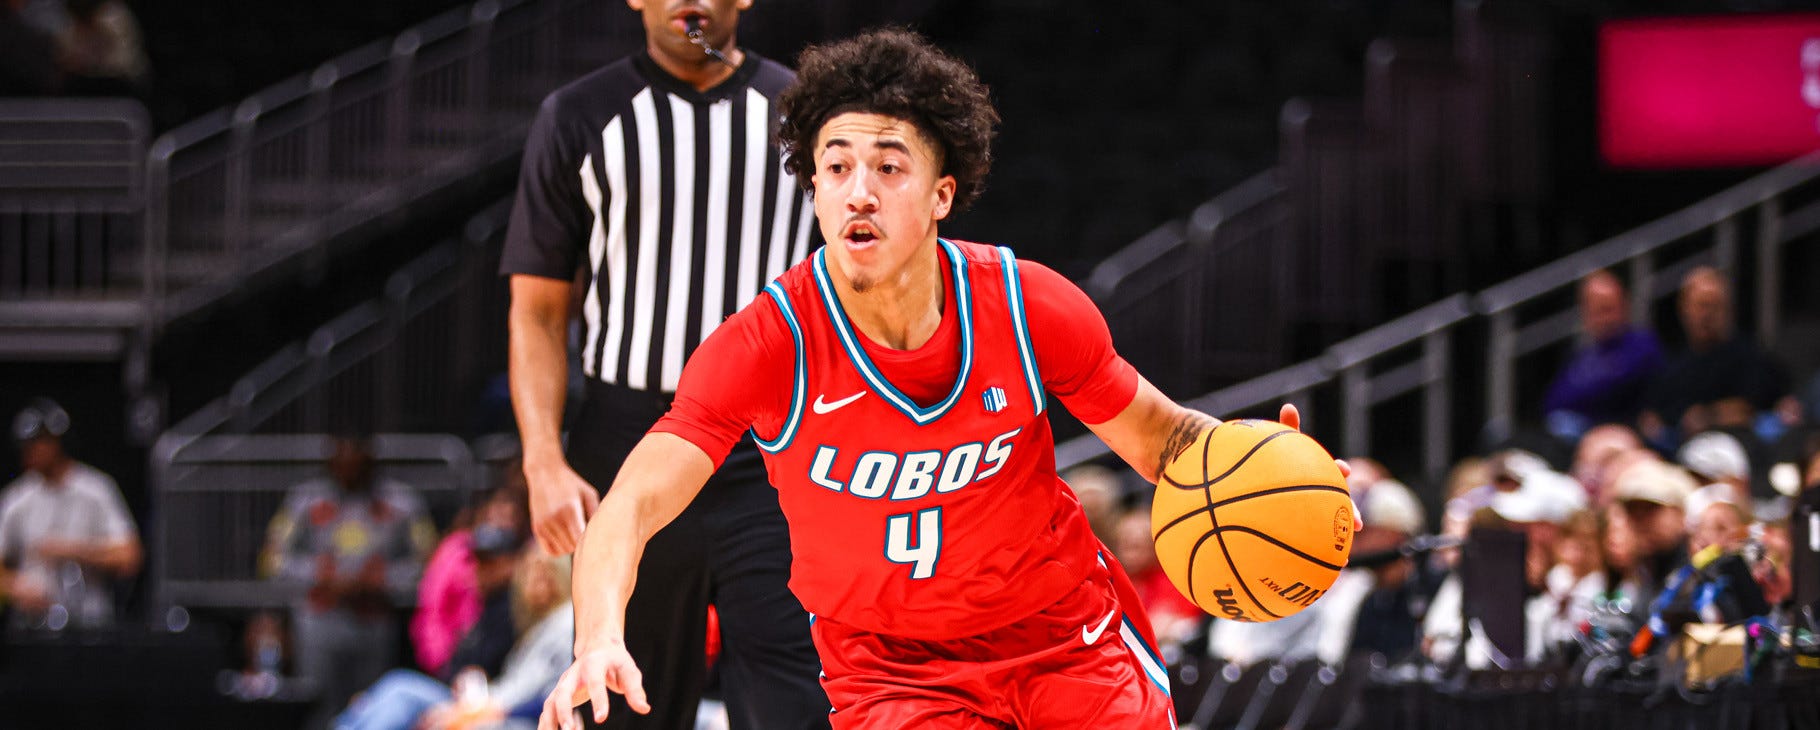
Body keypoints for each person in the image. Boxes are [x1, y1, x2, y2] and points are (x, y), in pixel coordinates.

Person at [540, 29, 1356, 730]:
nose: (860, 192)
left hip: (1063, 635)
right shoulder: (767, 345)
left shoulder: (1029, 307)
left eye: (889, 168)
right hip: (892, 671)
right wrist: (600, 636)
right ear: (813, 187)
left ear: (941, 194)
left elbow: (1164, 439)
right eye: (836, 167)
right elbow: (630, 508)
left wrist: (1274, 476)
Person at [499, 0, 827, 726]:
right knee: (621, 696)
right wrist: (543, 462)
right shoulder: (578, 116)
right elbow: (537, 311)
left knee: (796, 702)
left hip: (775, 447)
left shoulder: (808, 113)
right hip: (628, 440)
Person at [262, 435, 436, 729]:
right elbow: (272, 558)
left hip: (374, 620)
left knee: (374, 707)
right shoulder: (305, 500)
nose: (350, 470)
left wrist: (386, 578)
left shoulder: (401, 502)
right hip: (320, 621)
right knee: (318, 707)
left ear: (371, 461)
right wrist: (317, 573)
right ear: (330, 463)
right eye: (342, 463)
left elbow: (430, 562)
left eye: (358, 463)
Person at [337, 545, 576, 730]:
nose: (537, 583)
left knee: (402, 693)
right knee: (394, 689)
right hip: (483, 700)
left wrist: (478, 713)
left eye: (546, 574)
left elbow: (551, 696)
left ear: (562, 575)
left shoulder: (566, 621)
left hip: (504, 715)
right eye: (531, 572)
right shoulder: (532, 621)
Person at [0, 398, 141, 630]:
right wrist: (16, 587)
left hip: (89, 624)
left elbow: (130, 556)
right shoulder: (16, 499)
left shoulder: (96, 489)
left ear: (56, 442)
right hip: (32, 625)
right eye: (25, 445)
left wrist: (73, 551)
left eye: (37, 443)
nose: (29, 452)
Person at [1640, 267, 1788, 449]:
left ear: (1727, 309)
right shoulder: (1672, 365)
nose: (1707, 315)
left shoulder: (1750, 356)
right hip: (1678, 450)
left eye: (1715, 306)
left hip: (1739, 447)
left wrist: (1708, 416)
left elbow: (1754, 408)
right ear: (1683, 308)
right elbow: (1653, 418)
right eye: (1701, 305)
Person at [1542, 270, 1665, 440]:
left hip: (1627, 433)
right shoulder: (1582, 356)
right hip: (1585, 435)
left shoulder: (1642, 344)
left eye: (1609, 309)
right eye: (1597, 311)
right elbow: (1553, 402)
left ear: (1624, 306)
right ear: (1586, 314)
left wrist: (1586, 393)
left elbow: (1616, 391)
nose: (1606, 319)